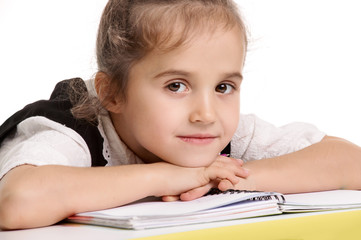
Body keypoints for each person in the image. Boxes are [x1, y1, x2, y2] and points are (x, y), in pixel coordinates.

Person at [0, 0, 360, 230]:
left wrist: (228, 178)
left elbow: (351, 162)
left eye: (223, 87)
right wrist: (164, 177)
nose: (206, 114)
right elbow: (17, 203)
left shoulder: (219, 137)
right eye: (176, 86)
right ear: (113, 92)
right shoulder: (67, 130)